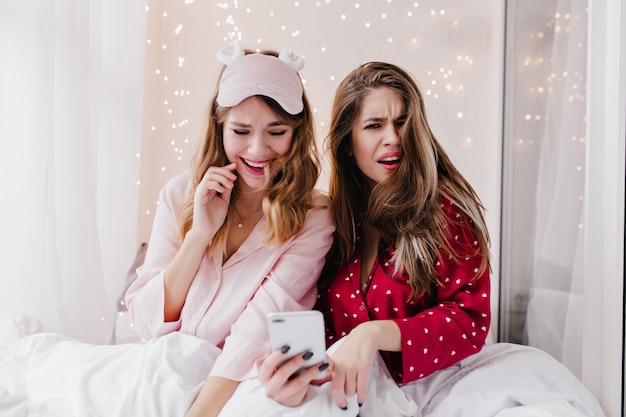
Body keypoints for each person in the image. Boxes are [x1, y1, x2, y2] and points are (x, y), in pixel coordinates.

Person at [258, 61, 491, 411]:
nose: (393, 138)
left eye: (402, 123)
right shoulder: (332, 224)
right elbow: (319, 325)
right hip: (359, 398)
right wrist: (290, 375)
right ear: (348, 143)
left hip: (441, 393)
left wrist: (374, 333)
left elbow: (470, 322)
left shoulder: (445, 210)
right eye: (374, 125)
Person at [124, 40, 335, 417]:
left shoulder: (314, 217)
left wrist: (199, 414)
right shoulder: (179, 194)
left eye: (276, 132)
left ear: (296, 134)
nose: (257, 149)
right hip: (161, 370)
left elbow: (256, 331)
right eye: (240, 131)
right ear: (219, 127)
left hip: (239, 382)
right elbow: (144, 320)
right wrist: (199, 235)